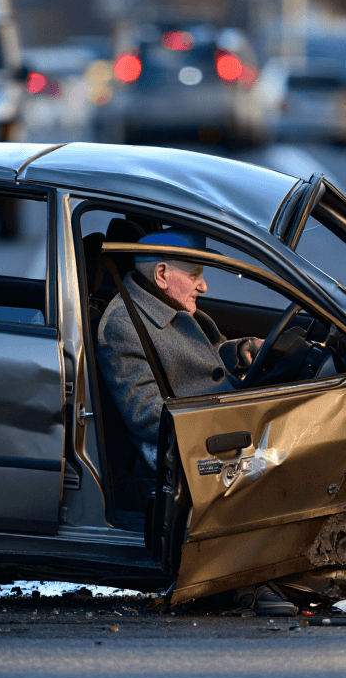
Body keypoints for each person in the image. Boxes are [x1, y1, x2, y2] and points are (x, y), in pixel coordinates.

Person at [96, 228, 295, 616]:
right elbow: (144, 412)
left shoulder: (176, 311)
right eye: (196, 273)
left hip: (217, 431)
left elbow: (207, 356)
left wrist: (240, 351)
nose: (203, 284)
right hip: (178, 455)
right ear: (162, 274)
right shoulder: (123, 324)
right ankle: (253, 580)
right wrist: (217, 420)